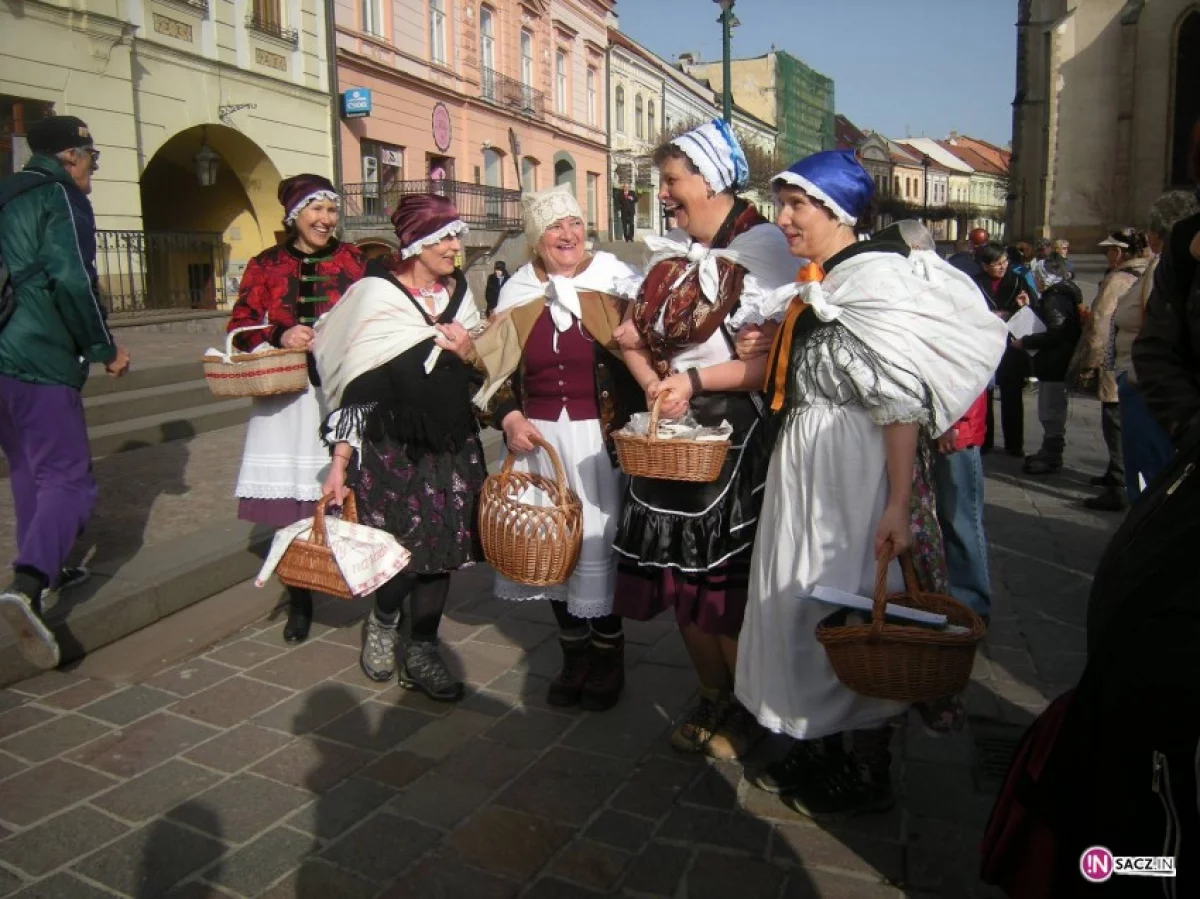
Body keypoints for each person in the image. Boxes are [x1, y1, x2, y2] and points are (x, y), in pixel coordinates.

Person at [735, 151, 1005, 818]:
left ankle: (866, 766)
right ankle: (817, 739)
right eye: (782, 203)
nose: (784, 218)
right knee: (803, 601)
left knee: (858, 604)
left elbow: (900, 402)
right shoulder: (823, 280)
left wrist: (895, 503)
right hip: (808, 466)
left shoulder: (873, 281)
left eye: (798, 205)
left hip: (853, 470)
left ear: (837, 211)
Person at [611, 119, 799, 760]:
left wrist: (689, 379)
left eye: (672, 180)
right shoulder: (669, 256)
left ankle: (746, 704)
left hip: (736, 435)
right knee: (678, 578)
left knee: (724, 585)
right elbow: (629, 338)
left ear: (711, 178)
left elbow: (773, 362)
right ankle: (713, 693)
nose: (663, 194)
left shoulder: (765, 247)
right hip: (676, 437)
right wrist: (654, 385)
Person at [473, 185, 641, 710]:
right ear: (535, 238)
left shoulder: (616, 281)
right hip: (536, 442)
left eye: (574, 223)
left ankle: (607, 657)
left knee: (595, 540)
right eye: (554, 227)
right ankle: (574, 657)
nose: (567, 235)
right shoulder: (517, 290)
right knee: (548, 549)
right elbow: (489, 371)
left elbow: (647, 355)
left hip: (597, 440)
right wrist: (510, 415)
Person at [316, 195, 486, 703]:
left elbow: (483, 371)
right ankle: (385, 622)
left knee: (440, 556)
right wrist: (339, 465)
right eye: (445, 238)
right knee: (400, 554)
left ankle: (423, 650)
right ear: (415, 244)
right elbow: (357, 391)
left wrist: (470, 350)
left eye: (456, 237)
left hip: (453, 445)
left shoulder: (461, 296)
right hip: (394, 451)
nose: (455, 248)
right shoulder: (376, 297)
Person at [0, 115, 131, 670]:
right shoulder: (62, 196)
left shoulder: (9, 190)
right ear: (72, 157)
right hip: (39, 354)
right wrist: (104, 348)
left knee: (30, 469)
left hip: (3, 355)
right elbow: (73, 277)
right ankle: (28, 587)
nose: (93, 168)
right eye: (93, 157)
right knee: (71, 480)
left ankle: (45, 568)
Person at [227, 174, 365, 644]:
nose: (326, 219)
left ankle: (351, 572)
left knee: (341, 490)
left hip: (337, 394)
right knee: (291, 503)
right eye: (316, 210)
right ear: (294, 216)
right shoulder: (266, 264)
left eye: (331, 210)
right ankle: (301, 600)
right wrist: (279, 332)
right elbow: (240, 323)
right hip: (285, 399)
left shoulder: (354, 261)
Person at [1110, 191, 1199, 501]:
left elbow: (1159, 334)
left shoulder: (1164, 269)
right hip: (1150, 385)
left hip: (1149, 388)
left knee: (1149, 481)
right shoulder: (1161, 266)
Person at [1068, 228, 1150, 511]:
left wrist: (1089, 363)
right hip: (1144, 363)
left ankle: (1119, 483)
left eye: (1110, 250)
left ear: (1119, 253)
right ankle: (1117, 474)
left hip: (1116, 362)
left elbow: (1100, 326)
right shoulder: (1154, 271)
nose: (1107, 255)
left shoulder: (1116, 279)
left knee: (1114, 423)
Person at [1019, 256, 1083, 475]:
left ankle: (1052, 454)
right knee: (1052, 408)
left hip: (1055, 361)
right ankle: (1050, 451)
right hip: (1058, 360)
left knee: (1051, 409)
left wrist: (1026, 341)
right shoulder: (1062, 293)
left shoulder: (1055, 297)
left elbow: (1056, 332)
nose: (1034, 280)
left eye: (1037, 276)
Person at [975, 243, 1034, 455]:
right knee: (985, 393)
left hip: (1012, 345)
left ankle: (1014, 443)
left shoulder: (1018, 280)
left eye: (1005, 262)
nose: (1003, 267)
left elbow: (1032, 307)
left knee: (1012, 394)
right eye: (997, 263)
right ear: (984, 265)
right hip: (985, 344)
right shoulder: (975, 283)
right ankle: (984, 440)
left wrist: (1025, 304)